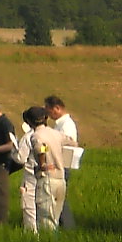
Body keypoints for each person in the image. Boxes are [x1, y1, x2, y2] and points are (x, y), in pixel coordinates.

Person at [29, 105, 69, 233]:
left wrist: (42, 164)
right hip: (61, 179)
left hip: (47, 179)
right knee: (55, 218)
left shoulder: (37, 135)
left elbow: (41, 148)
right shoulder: (56, 134)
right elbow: (72, 143)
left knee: (46, 219)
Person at [44, 95, 78, 230]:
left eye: (48, 110)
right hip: (57, 164)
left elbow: (67, 144)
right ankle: (62, 225)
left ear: (57, 108)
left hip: (62, 165)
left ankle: (68, 226)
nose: (47, 113)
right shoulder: (60, 125)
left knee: (60, 199)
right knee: (57, 198)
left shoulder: (66, 125)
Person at [13, 107, 40, 232]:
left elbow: (20, 158)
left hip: (31, 176)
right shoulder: (50, 133)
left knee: (29, 208)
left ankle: (32, 235)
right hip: (48, 174)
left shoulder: (28, 137)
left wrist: (14, 150)